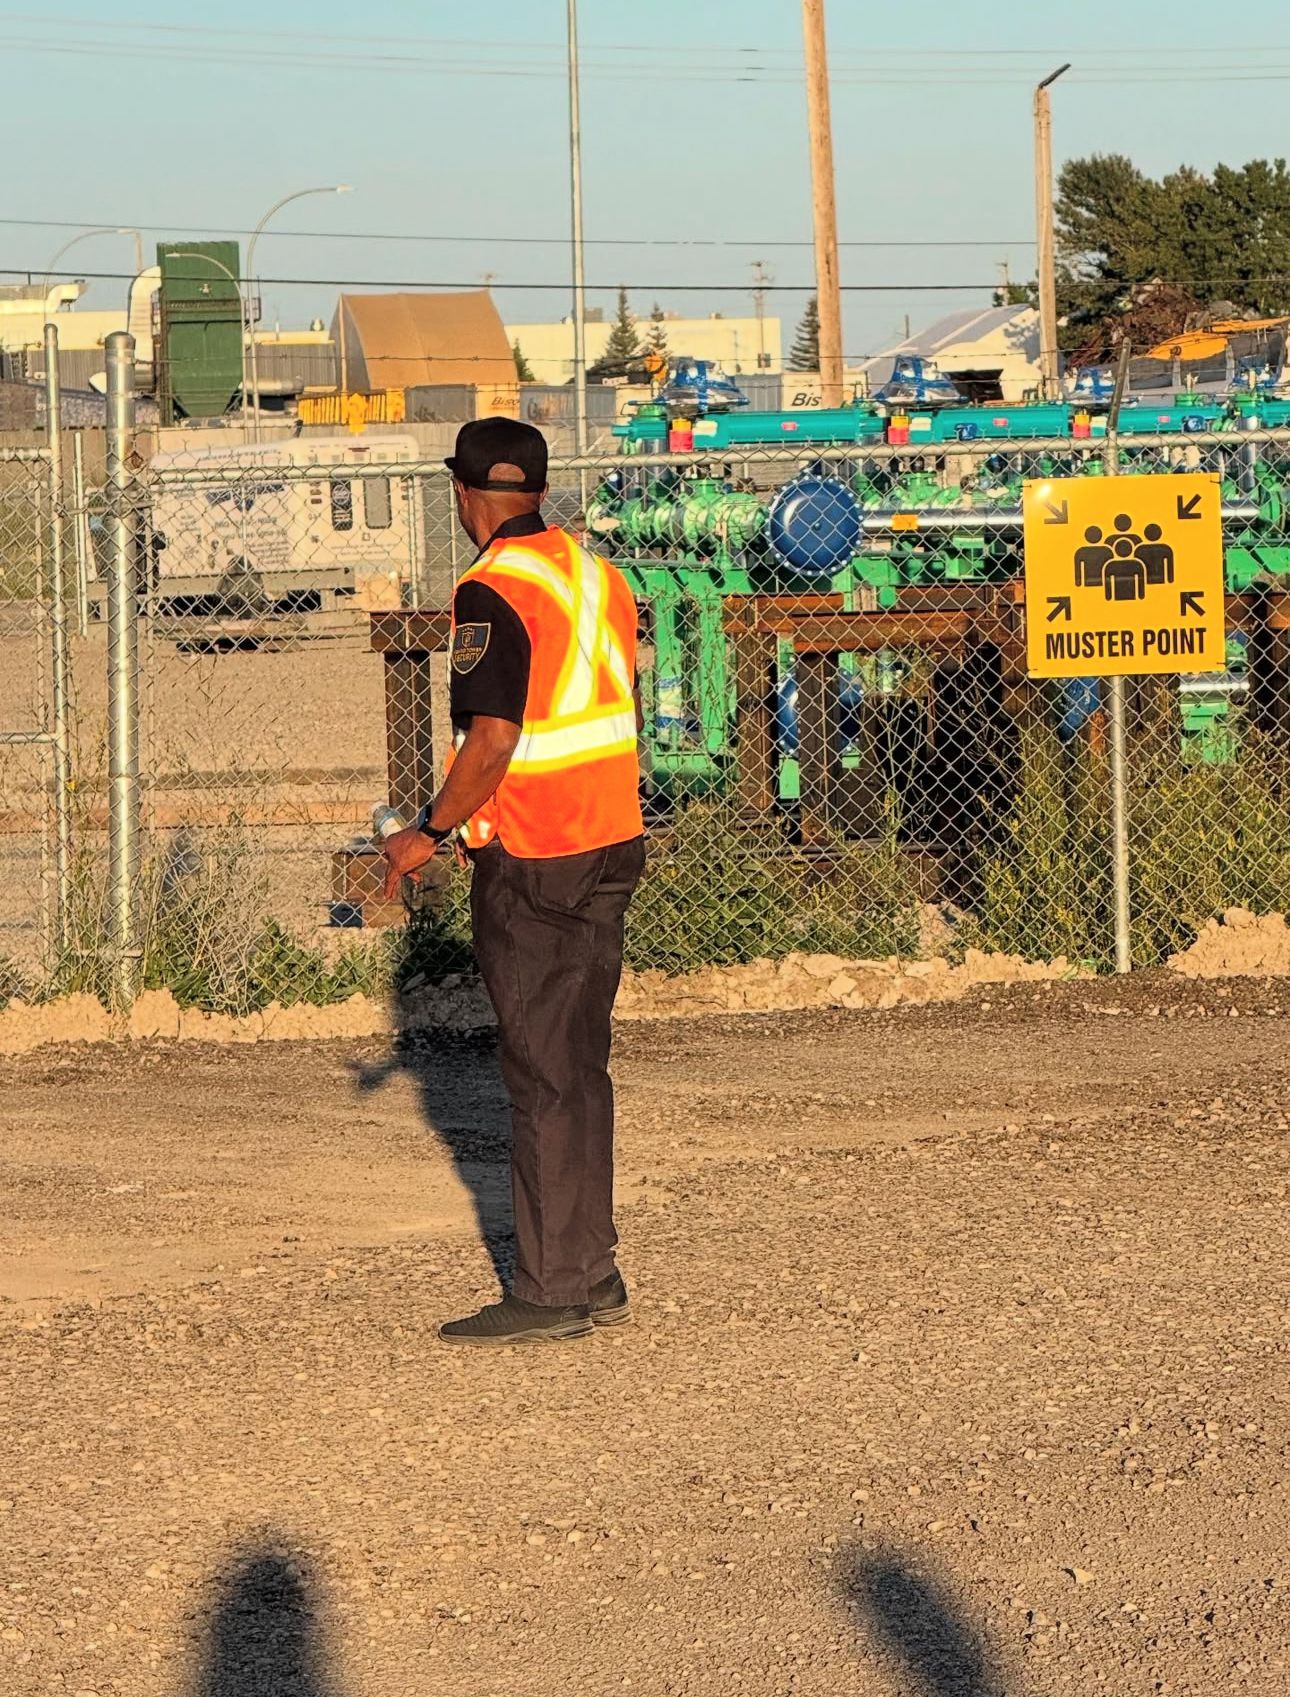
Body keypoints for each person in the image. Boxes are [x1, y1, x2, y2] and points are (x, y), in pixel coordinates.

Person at [381, 418, 645, 1346]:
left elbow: (492, 738)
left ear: (465, 492)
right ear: (537, 488)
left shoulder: (490, 588)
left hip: (537, 856)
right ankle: (593, 1267)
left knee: (540, 1073)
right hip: (610, 840)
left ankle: (551, 1287)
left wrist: (427, 831)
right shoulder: (596, 575)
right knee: (579, 1066)